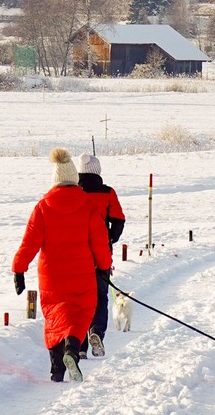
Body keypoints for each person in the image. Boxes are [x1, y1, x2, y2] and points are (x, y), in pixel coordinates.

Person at [13, 147, 111, 382]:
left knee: (56, 316)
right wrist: (104, 267)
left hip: (51, 276)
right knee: (81, 313)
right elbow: (100, 243)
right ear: (74, 178)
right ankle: (72, 347)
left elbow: (29, 243)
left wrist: (19, 268)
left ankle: (57, 369)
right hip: (82, 275)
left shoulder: (42, 207)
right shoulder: (88, 206)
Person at [77, 152, 125, 357]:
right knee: (99, 296)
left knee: (78, 299)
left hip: (76, 253)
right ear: (98, 171)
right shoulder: (107, 192)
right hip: (101, 254)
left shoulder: (72, 192)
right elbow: (119, 219)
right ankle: (96, 332)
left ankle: (78, 345)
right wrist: (110, 239)